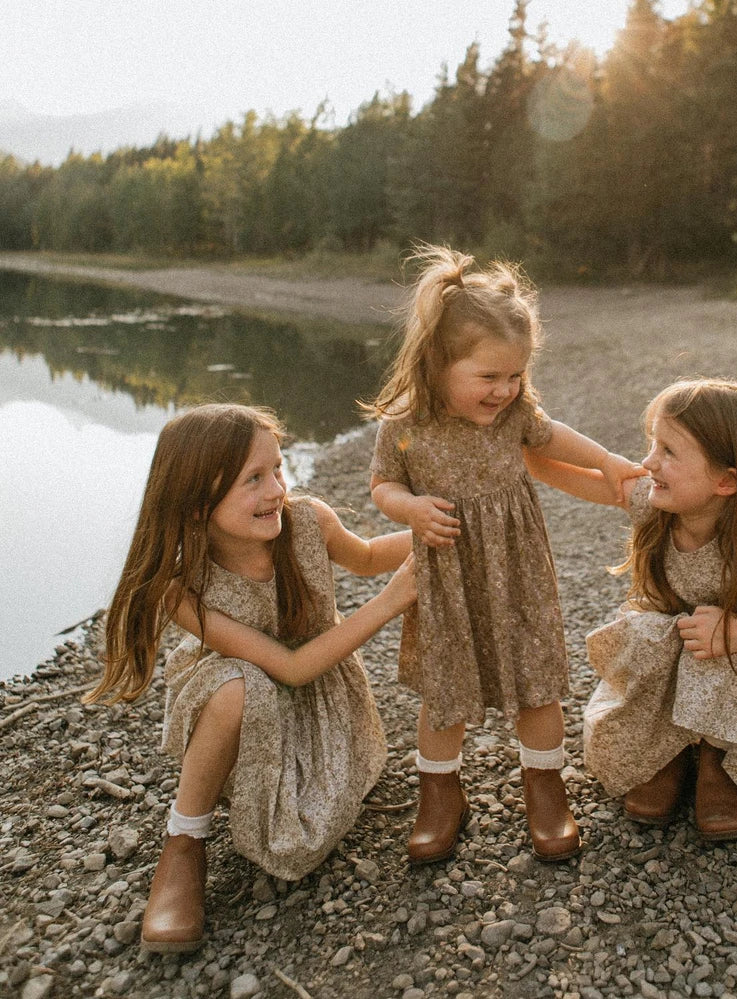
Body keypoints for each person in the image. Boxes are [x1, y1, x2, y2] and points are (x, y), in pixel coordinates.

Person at [84, 403, 415, 953]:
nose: (276, 490)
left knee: (307, 841)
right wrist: (391, 601)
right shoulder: (183, 587)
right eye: (253, 480)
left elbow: (368, 556)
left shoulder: (308, 522)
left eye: (277, 469)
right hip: (242, 698)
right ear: (198, 502)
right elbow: (289, 668)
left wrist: (442, 532)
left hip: (319, 694)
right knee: (240, 684)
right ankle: (184, 841)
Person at [366, 245, 642, 864]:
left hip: (518, 572)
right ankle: (440, 794)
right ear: (438, 363)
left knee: (536, 683)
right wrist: (410, 509)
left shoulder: (514, 413)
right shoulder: (404, 425)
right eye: (488, 377)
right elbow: (382, 485)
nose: (504, 390)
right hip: (448, 576)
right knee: (445, 691)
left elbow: (554, 437)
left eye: (515, 375)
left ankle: (544, 786)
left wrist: (607, 461)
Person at [526, 379, 737, 840]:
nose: (649, 462)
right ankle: (667, 748)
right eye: (652, 443)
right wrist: (518, 438)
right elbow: (552, 470)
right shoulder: (655, 505)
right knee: (649, 633)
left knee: (709, 646)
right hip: (671, 664)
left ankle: (718, 756)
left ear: (726, 481)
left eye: (668, 451)